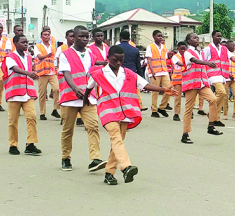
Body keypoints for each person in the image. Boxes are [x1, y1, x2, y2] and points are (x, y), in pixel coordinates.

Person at [87, 45, 169, 185]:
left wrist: (163, 89)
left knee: (117, 143)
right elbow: (88, 89)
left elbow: (144, 85)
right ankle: (126, 167)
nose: (118, 63)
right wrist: (86, 102)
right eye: (115, 60)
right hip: (108, 112)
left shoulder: (129, 73)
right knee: (116, 138)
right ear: (108, 58)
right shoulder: (99, 73)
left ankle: (109, 173)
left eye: (121, 60)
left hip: (124, 112)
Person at [57, 25, 105, 172]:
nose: (84, 39)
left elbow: (94, 73)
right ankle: (66, 157)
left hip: (88, 98)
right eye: (81, 36)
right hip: (70, 97)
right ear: (74, 37)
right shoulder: (65, 54)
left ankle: (95, 158)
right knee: (68, 130)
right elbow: (66, 73)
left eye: (86, 37)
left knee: (93, 126)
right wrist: (75, 88)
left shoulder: (91, 54)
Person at [179, 32, 222, 144]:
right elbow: (195, 61)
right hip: (192, 84)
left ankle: (211, 125)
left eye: (197, 37)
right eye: (194, 38)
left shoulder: (200, 52)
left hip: (202, 83)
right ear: (189, 41)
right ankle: (185, 134)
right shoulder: (188, 52)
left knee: (213, 100)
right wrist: (208, 63)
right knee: (188, 109)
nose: (197, 39)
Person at [2, 34, 42, 156]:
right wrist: (29, 73)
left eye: (27, 42)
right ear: (15, 43)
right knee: (13, 120)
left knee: (32, 117)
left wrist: (33, 74)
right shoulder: (10, 57)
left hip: (28, 93)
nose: (26, 44)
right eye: (23, 42)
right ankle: (13, 144)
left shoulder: (29, 58)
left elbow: (29, 71)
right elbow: (14, 68)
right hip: (14, 93)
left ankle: (31, 143)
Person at [202, 30, 232, 127]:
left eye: (221, 36)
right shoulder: (208, 49)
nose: (219, 38)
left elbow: (232, 58)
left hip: (222, 75)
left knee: (222, 96)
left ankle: (215, 117)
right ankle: (212, 114)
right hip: (213, 75)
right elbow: (203, 61)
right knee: (221, 93)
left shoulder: (224, 49)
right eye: (218, 36)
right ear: (213, 37)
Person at [33, 28, 59, 121]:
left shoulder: (52, 46)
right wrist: (48, 55)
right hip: (42, 72)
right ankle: (42, 113)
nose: (47, 36)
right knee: (42, 93)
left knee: (56, 89)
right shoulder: (37, 46)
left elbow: (55, 58)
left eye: (48, 35)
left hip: (52, 72)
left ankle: (55, 109)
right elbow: (39, 57)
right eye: (45, 35)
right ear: (41, 37)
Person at [145, 30, 171, 118]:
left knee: (168, 89)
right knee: (155, 91)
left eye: (161, 36)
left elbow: (165, 59)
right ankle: (154, 110)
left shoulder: (164, 47)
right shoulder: (150, 46)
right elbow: (149, 59)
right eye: (158, 36)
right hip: (155, 72)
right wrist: (152, 71)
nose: (160, 37)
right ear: (154, 37)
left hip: (164, 71)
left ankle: (162, 107)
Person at [169, 41, 188, 122]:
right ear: (178, 48)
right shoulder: (175, 57)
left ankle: (189, 112)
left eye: (184, 49)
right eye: (181, 49)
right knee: (178, 97)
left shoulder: (187, 56)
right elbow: (180, 64)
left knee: (189, 98)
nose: (183, 51)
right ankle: (176, 114)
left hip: (186, 79)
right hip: (177, 80)